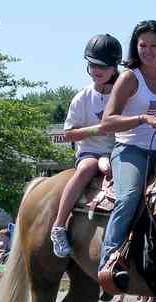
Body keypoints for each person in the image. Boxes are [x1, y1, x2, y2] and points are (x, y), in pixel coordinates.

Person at [98, 20, 156, 290]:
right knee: (129, 196)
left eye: (153, 45)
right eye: (142, 45)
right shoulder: (129, 77)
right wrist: (142, 118)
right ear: (135, 48)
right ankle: (109, 260)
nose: (148, 50)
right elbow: (107, 122)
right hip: (130, 150)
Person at [50, 34, 122, 258]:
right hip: (90, 150)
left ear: (114, 67)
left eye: (102, 66)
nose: (96, 70)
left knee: (117, 169)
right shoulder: (82, 98)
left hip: (117, 149)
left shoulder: (124, 93)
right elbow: (69, 134)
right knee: (87, 168)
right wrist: (98, 129)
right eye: (92, 65)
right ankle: (59, 226)